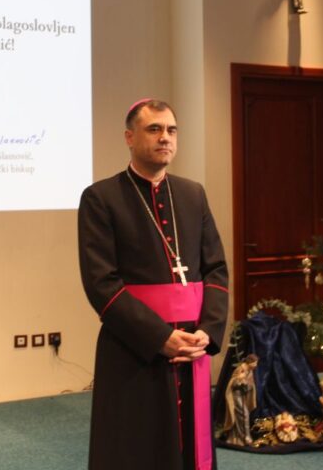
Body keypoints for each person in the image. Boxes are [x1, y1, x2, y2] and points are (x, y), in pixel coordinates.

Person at [78, 99, 229, 470]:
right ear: (129, 137)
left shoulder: (193, 194)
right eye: (154, 129)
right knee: (137, 447)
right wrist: (160, 337)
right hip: (134, 345)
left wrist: (207, 332)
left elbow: (215, 269)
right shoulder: (101, 198)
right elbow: (101, 284)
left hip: (191, 344)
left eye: (171, 130)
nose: (165, 138)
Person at [223, 354, 258, 446]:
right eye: (255, 363)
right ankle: (246, 437)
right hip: (236, 396)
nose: (256, 365)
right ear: (250, 362)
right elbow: (233, 382)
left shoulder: (250, 371)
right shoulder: (241, 369)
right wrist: (239, 380)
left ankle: (238, 437)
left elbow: (251, 384)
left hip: (243, 396)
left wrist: (247, 385)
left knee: (240, 416)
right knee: (244, 414)